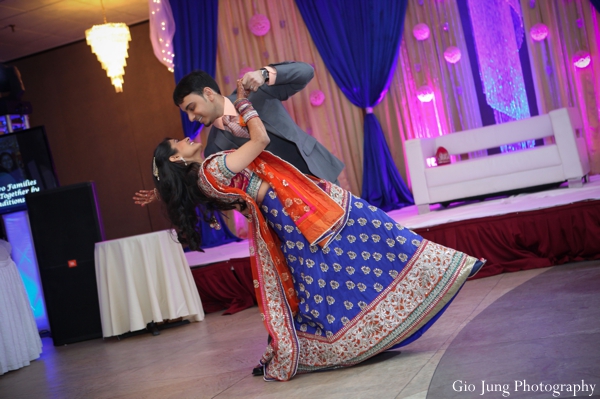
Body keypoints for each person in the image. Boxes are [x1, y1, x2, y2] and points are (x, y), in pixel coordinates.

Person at [150, 80, 485, 381]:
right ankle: (431, 275)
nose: (185, 135)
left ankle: (371, 325)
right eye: (177, 142)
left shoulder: (206, 174)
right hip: (293, 207)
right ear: (178, 160)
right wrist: (244, 103)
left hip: (289, 207)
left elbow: (248, 149)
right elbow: (261, 139)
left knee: (334, 267)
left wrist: (165, 183)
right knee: (370, 233)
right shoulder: (212, 167)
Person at [135, 61, 344, 206]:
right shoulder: (215, 149)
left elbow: (305, 72)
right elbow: (200, 184)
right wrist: (163, 190)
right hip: (289, 199)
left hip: (318, 172)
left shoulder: (256, 92)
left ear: (208, 93)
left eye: (192, 107)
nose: (191, 118)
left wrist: (264, 74)